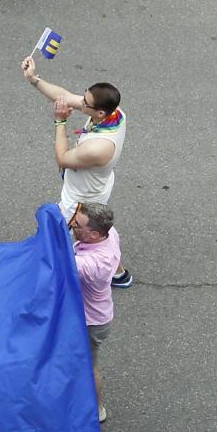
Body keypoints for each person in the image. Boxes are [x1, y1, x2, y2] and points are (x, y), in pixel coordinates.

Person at [20, 59, 131, 287]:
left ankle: (57, 279)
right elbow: (64, 96)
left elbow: (62, 158)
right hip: (97, 187)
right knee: (98, 231)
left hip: (81, 198)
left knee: (66, 236)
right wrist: (34, 79)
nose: (80, 103)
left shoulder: (98, 148)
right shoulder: (114, 114)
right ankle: (118, 273)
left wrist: (60, 121)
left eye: (85, 103)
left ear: (99, 112)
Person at [71, 203, 120, 424]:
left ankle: (97, 409)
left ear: (94, 234)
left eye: (78, 225)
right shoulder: (110, 234)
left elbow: (51, 265)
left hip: (90, 322)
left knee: (89, 365)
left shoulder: (88, 264)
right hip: (97, 314)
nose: (72, 225)